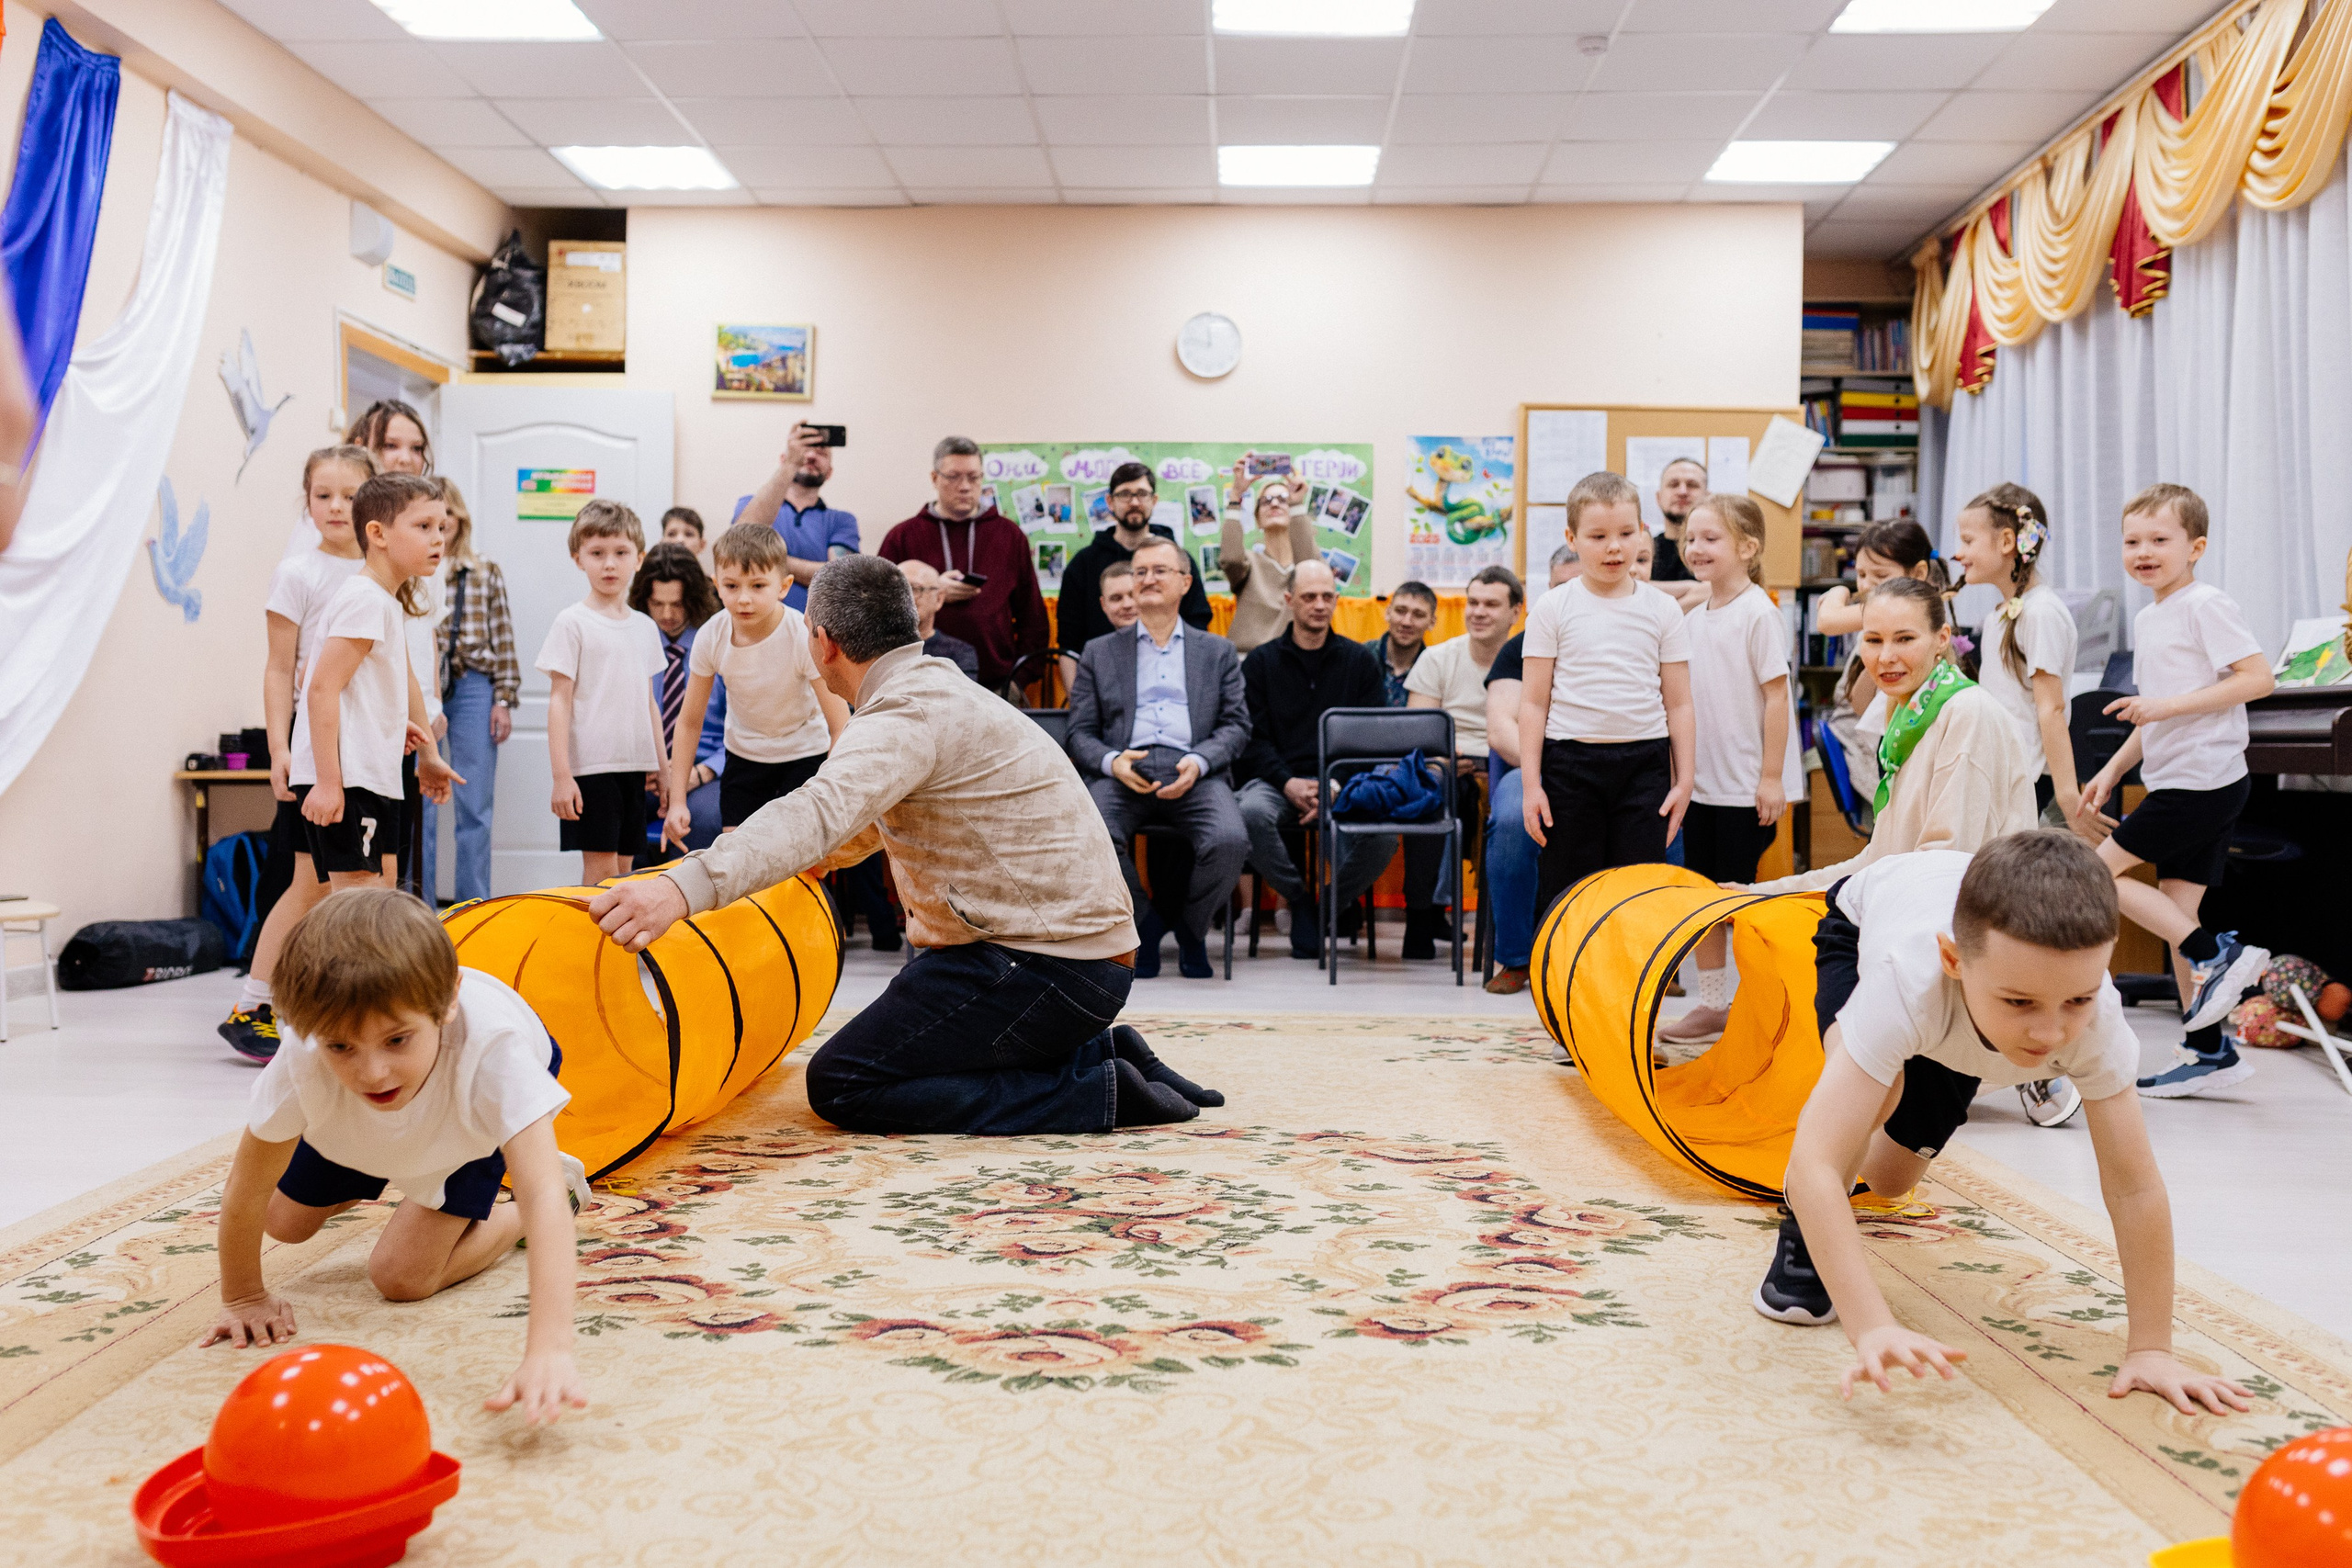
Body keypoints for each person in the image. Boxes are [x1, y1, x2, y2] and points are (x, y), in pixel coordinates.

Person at [585, 555, 1223, 1134]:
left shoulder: (902, 715)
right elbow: (866, 819)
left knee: (844, 1082)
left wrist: (677, 887)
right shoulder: (933, 686)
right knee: (907, 1033)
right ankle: (1101, 1050)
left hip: (1052, 967)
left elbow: (815, 811)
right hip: (1073, 960)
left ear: (823, 642)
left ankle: (1092, 1091)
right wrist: (814, 856)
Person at [1754, 833, 2255, 1424]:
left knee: (1888, 1181)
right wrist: (1872, 1326)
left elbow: (2134, 1187)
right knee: (1867, 1102)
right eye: (2021, 1003)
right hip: (1864, 925)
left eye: (2078, 999)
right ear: (1954, 962)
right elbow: (1813, 1163)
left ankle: (1973, 1044)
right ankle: (1802, 1236)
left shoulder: (2098, 1026)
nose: (2050, 1034)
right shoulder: (1906, 981)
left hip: (1963, 1013)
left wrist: (2152, 1349)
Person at [200, 888, 592, 1426]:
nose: (373, 1073)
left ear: (448, 1004)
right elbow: (246, 1185)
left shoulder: (496, 1059)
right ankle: (387, 1171)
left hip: (463, 1123)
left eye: (397, 1040)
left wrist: (549, 1350)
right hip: (362, 1123)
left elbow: (539, 1193)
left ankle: (519, 1210)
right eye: (341, 1046)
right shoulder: (306, 1062)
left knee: (402, 1278)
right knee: (282, 1221)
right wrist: (243, 1296)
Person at [2082, 483, 2278, 1100]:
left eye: (2159, 540)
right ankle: (2209, 1047)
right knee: (2176, 912)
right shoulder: (2150, 616)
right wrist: (2115, 769)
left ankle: (2216, 955)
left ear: (2195, 547)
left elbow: (2259, 678)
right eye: (2132, 541)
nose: (2144, 551)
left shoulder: (2206, 604)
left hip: (2203, 780)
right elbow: (2154, 711)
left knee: (2094, 875)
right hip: (2179, 778)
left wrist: (2164, 706)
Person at [220, 446, 377, 1061]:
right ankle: (254, 1002)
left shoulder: (380, 571)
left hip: (369, 748)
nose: (336, 507)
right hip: (316, 749)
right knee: (312, 881)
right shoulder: (298, 573)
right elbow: (279, 667)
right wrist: (278, 747)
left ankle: (343, 1005)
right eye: (322, 495)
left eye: (349, 495)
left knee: (358, 884)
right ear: (306, 500)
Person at [1068, 536, 1250, 981]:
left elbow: (1237, 726)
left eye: (1160, 571)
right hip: (1124, 771)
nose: (1148, 579)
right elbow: (1079, 733)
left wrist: (1201, 761)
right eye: (1141, 571)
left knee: (1230, 840)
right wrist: (1112, 761)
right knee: (1090, 833)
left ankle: (1190, 927)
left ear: (1185, 582)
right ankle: (1144, 926)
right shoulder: (1099, 652)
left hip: (1195, 769)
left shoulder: (1218, 651)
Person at [1519, 472, 1695, 929]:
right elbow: (1533, 704)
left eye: (1626, 533)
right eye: (1598, 537)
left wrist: (1685, 780)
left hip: (1644, 766)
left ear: (1642, 532)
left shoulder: (1662, 609)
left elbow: (1679, 703)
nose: (1614, 547)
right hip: (1570, 764)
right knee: (1568, 891)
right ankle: (1561, 974)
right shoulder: (1552, 608)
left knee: (1637, 893)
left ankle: (1630, 976)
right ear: (1572, 539)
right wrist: (1532, 785)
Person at [1657, 495, 1801, 1045]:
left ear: (1748, 548)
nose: (1696, 548)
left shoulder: (1759, 613)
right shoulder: (1694, 617)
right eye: (1690, 539)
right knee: (1703, 898)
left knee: (1735, 899)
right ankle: (1713, 1005)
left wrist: (1771, 777)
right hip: (1702, 787)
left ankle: (1757, 1004)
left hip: (1745, 788)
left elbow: (1776, 698)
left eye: (1710, 539)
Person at [300, 474, 461, 903]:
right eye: (423, 526)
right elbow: (319, 689)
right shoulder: (365, 599)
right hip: (347, 777)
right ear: (378, 534)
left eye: (441, 527)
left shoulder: (386, 601)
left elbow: (402, 681)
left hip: (374, 773)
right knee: (357, 905)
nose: (438, 539)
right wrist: (328, 782)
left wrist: (427, 754)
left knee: (383, 896)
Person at [1236, 560, 1392, 961]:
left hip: (1344, 782)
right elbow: (1251, 740)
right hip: (1277, 782)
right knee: (1249, 814)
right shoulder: (1260, 664)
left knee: (1385, 836)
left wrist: (1335, 785)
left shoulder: (1360, 662)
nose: (1319, 605)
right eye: (1309, 597)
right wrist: (1287, 782)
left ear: (1336, 600)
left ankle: (1326, 906)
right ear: (1289, 601)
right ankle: (1300, 898)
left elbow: (1371, 740)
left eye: (1327, 596)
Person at [665, 525, 850, 841]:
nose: (744, 599)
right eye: (731, 586)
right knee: (738, 851)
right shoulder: (711, 635)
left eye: (758, 586)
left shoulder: (801, 635)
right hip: (744, 756)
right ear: (716, 585)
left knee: (797, 853)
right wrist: (677, 801)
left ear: (784, 586)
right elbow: (689, 722)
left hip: (805, 753)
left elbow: (839, 724)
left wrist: (831, 787)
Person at [536, 501, 668, 886]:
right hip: (592, 770)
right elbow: (559, 701)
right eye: (597, 553)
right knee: (601, 875)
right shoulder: (572, 623)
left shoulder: (644, 627)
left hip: (634, 768)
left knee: (625, 873)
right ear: (578, 558)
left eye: (621, 553)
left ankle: (614, 934)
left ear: (638, 558)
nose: (609, 564)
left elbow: (648, 702)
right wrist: (562, 776)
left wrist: (663, 768)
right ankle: (589, 930)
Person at [1402, 567, 1520, 963]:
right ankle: (1420, 918)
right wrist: (1447, 760)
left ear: (1515, 612)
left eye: (1491, 604)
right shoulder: (1437, 659)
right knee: (1429, 790)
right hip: (1450, 763)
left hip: (1508, 761)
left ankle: (1508, 928)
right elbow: (1419, 731)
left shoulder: (1531, 660)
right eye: (1473, 603)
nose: (1479, 612)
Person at [1479, 546, 1578, 995]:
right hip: (1533, 767)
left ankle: (1651, 957)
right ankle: (1517, 957)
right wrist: (1545, 773)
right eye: (1558, 588)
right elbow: (1501, 729)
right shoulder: (1519, 647)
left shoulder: (1629, 638)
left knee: (1662, 823)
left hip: (1611, 767)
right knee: (1510, 820)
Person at [1951, 484, 2082, 825]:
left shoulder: (2041, 613)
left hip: (2025, 775)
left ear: (2008, 541)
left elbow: (2051, 709)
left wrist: (2068, 796)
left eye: (1967, 541)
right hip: (2000, 769)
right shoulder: (2001, 615)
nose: (1958, 554)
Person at [876, 435, 1048, 692]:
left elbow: (1032, 617)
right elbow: (878, 612)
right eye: (953, 477)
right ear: (934, 478)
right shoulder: (903, 537)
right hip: (917, 683)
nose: (965, 486)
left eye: (974, 477)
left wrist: (1019, 679)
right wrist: (931, 590)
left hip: (996, 684)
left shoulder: (1009, 536)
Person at [1813, 521, 1947, 818]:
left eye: (1881, 575)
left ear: (1919, 573)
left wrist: (1838, 591)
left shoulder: (1907, 611)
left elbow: (1827, 621)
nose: (1867, 585)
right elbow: (1860, 702)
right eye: (1861, 575)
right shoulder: (1883, 612)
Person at [430, 481, 519, 905]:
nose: (440, 523)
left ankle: (473, 907)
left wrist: (503, 698)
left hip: (473, 687)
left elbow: (503, 635)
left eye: (446, 513)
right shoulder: (408, 570)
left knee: (474, 803)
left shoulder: (483, 571)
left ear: (459, 518)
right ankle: (415, 911)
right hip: (422, 686)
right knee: (420, 808)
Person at [1057, 460, 1212, 688]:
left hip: (1172, 683)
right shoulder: (1083, 565)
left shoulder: (1178, 560)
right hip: (1103, 687)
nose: (1134, 502)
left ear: (1154, 500)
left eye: (1142, 494)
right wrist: (1079, 704)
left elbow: (1198, 629)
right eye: (1124, 494)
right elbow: (1069, 646)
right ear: (1110, 501)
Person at [631, 544, 727, 852]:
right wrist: (645, 767)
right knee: (614, 806)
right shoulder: (633, 642)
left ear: (694, 600)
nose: (667, 615)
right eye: (657, 604)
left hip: (708, 769)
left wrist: (699, 773)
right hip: (647, 768)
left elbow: (746, 728)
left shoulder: (719, 642)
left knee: (703, 820)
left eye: (677, 604)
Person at [732, 420, 860, 613]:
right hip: (753, 621)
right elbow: (738, 546)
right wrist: (792, 463)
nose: (811, 455)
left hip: (816, 626)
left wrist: (766, 557)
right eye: (805, 449)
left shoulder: (842, 520)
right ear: (784, 459)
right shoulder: (750, 504)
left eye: (822, 453)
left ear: (830, 472)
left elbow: (841, 578)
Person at [1217, 458, 1323, 655]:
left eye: (1283, 499)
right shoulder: (1249, 563)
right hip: (1250, 660)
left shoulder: (1309, 565)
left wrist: (1297, 504)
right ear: (1257, 519)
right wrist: (1235, 495)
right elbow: (1230, 559)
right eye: (1265, 501)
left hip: (1297, 660)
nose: (1274, 503)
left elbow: (1309, 567)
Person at [899, 558, 981, 682]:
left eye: (914, 588)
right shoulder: (876, 647)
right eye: (896, 589)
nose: (904, 597)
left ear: (939, 599)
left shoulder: (958, 653)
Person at [1365, 580, 1437, 708]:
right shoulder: (1361, 658)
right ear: (1388, 613)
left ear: (1432, 622)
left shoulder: (1436, 669)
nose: (1406, 622)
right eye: (1400, 611)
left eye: (1418, 615)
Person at [1648, 457, 1705, 581]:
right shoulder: (1643, 551)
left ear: (1707, 497)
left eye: (1692, 485)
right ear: (1658, 497)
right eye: (1673, 485)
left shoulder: (1721, 550)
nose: (1682, 492)